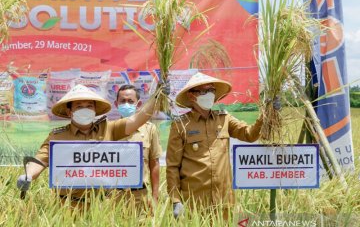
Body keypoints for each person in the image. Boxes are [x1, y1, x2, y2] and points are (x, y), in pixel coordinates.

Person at [17, 83, 167, 208]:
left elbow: (137, 119)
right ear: (70, 111)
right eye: (79, 106)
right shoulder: (57, 136)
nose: (85, 109)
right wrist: (28, 175)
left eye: (89, 106)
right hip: (68, 206)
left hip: (103, 207)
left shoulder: (110, 129)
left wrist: (157, 97)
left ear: (95, 110)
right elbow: (40, 160)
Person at [166, 72, 280, 218]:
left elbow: (249, 134)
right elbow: (173, 167)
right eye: (204, 91)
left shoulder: (224, 119)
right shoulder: (180, 124)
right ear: (191, 96)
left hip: (224, 201)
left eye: (212, 91)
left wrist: (267, 112)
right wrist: (176, 200)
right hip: (194, 202)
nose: (209, 95)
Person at [111, 84, 162, 208]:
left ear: (138, 104)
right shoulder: (108, 129)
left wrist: (155, 196)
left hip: (141, 196)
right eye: (122, 101)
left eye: (130, 101)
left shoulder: (150, 129)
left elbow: (154, 163)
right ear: (116, 104)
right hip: (113, 197)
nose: (126, 104)